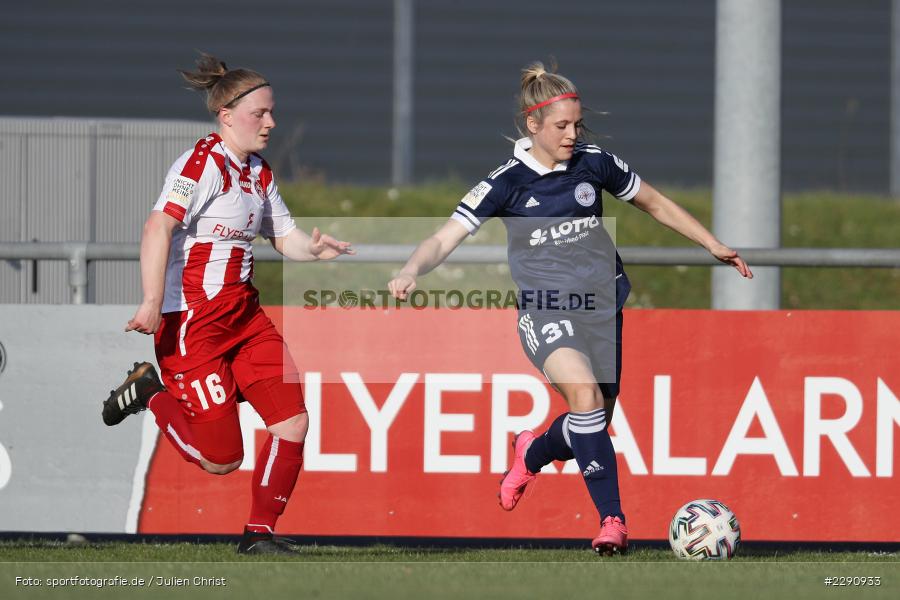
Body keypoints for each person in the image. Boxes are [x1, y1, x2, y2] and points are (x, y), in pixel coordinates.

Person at [387, 62, 752, 555]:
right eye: (562, 126)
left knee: (593, 418)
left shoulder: (594, 162)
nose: (572, 134)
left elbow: (655, 202)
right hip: (544, 310)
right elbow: (444, 236)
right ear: (532, 125)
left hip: (602, 306)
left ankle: (529, 453)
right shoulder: (505, 182)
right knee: (584, 399)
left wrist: (712, 243)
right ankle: (613, 522)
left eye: (577, 124)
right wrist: (412, 269)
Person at [101, 53, 353, 555]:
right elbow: (158, 227)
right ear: (226, 115)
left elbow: (284, 236)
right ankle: (149, 391)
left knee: (293, 422)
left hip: (246, 320)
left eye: (272, 111)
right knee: (221, 460)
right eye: (260, 113)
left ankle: (258, 536)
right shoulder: (201, 164)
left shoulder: (258, 173)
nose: (271, 122)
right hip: (194, 325)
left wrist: (314, 249)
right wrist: (152, 300)